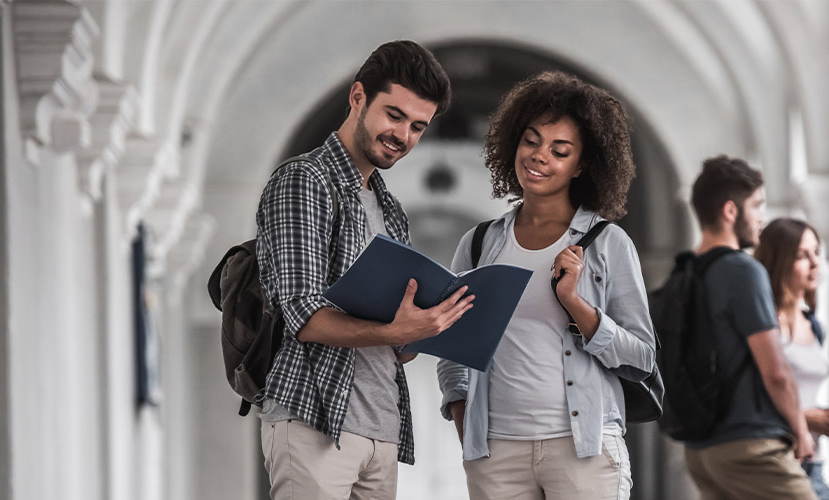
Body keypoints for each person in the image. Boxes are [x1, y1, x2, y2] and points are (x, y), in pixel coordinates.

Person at [254, 40, 474, 500]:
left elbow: (387, 336)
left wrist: (421, 332)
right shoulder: (304, 181)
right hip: (314, 419)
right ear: (358, 97)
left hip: (382, 427)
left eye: (418, 126)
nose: (404, 135)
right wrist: (395, 332)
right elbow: (304, 315)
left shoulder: (390, 209)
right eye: (394, 115)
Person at [436, 71, 655, 500]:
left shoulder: (608, 243)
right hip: (496, 454)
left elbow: (642, 357)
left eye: (560, 150)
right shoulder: (479, 244)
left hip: (584, 451)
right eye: (531, 141)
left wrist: (575, 302)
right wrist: (464, 418)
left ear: (582, 164)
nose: (539, 157)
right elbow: (453, 345)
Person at [679, 156, 817, 500]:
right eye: (756, 206)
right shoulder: (743, 270)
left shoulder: (685, 273)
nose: (761, 218)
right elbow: (776, 371)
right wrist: (800, 430)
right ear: (730, 211)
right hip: (751, 446)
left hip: (700, 449)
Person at [754, 218, 829, 500]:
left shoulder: (814, 325)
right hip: (774, 460)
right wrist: (807, 418)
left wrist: (827, 418)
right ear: (779, 261)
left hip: (812, 459)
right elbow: (752, 396)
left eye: (816, 252)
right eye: (801, 255)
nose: (814, 263)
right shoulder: (763, 325)